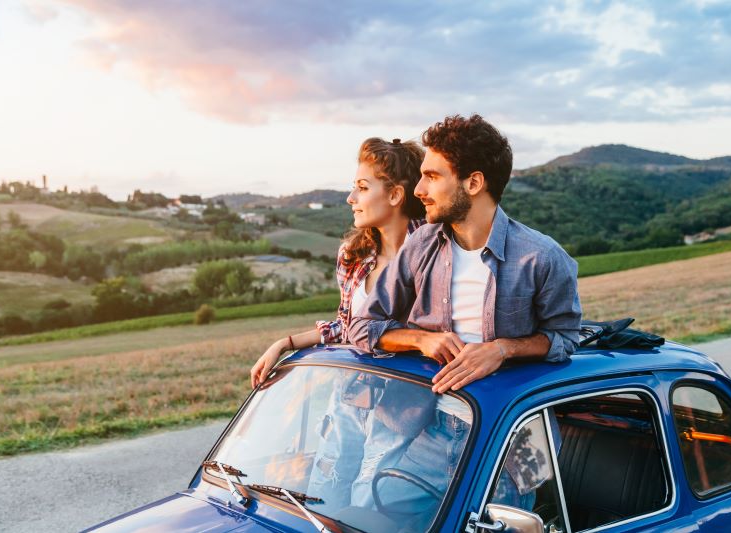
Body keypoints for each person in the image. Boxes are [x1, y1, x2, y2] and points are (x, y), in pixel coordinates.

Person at [347, 114, 582, 522]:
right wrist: (421, 340)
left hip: (516, 444)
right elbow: (362, 327)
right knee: (377, 517)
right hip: (434, 427)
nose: (419, 190)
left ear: (473, 183)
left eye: (432, 177)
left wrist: (503, 350)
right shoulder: (420, 246)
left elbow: (565, 338)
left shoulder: (543, 258)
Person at [248, 136, 428, 513]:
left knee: (368, 508)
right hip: (348, 398)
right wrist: (285, 343)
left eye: (362, 188)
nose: (351, 198)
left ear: (396, 195)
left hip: (400, 409)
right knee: (322, 500)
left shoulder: (431, 253)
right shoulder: (352, 255)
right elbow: (348, 327)